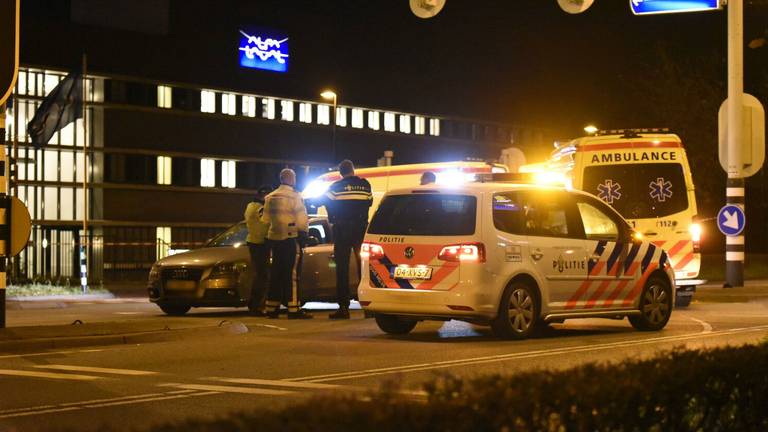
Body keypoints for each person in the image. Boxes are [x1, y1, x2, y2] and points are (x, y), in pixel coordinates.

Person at [321, 160, 372, 319]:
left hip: (342, 230)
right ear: (353, 170)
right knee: (363, 268)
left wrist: (335, 215)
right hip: (361, 230)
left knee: (341, 269)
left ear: (340, 172)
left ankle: (343, 308)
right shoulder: (365, 185)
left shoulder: (334, 187)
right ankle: (369, 307)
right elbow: (369, 202)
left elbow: (325, 202)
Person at [261, 168, 312, 319]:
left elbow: (265, 220)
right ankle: (293, 308)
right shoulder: (295, 197)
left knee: (275, 274)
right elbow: (302, 219)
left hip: (274, 239)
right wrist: (304, 234)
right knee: (292, 274)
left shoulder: (270, 197)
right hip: (291, 238)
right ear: (291, 179)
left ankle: (272, 308)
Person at [244, 185, 272, 316]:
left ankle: (255, 304)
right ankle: (257, 305)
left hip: (254, 242)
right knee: (263, 276)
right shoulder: (261, 208)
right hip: (261, 243)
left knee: (259, 275)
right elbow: (265, 223)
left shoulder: (250, 206)